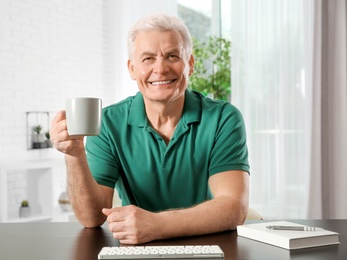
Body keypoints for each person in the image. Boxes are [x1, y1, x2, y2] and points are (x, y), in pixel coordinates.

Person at [50, 13, 250, 245]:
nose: (161, 68)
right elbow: (91, 218)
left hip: (206, 246)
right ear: (132, 69)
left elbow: (233, 208)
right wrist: (74, 155)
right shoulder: (107, 123)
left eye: (172, 56)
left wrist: (156, 225)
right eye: (148, 59)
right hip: (134, 248)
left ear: (190, 65)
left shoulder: (223, 118)